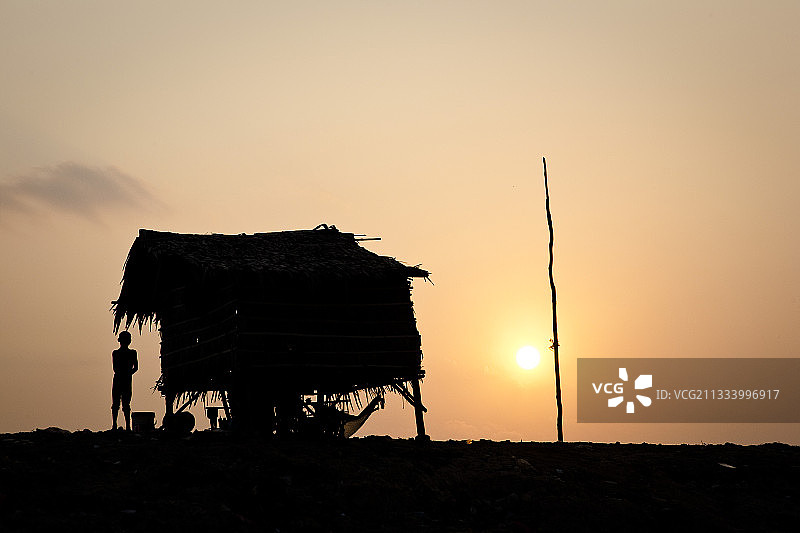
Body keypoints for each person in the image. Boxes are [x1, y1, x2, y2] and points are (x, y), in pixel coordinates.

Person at [111, 331, 138, 430]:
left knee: (119, 404)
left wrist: (126, 374)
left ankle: (118, 425)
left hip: (120, 379)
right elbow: (135, 368)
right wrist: (128, 373)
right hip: (125, 379)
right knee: (123, 404)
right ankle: (123, 426)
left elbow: (115, 368)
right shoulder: (131, 353)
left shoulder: (116, 353)